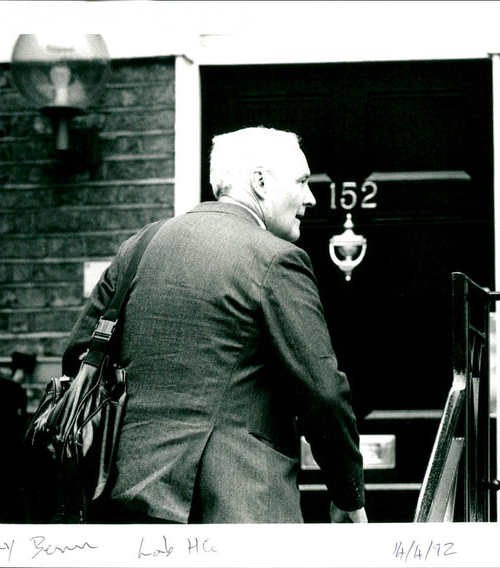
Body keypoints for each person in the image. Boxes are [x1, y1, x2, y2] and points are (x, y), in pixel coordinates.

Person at [63, 126, 367, 524]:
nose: (310, 197)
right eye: (302, 181)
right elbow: (323, 394)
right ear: (260, 182)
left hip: (121, 506)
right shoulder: (276, 259)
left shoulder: (138, 247)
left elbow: (77, 358)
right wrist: (348, 496)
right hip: (233, 510)